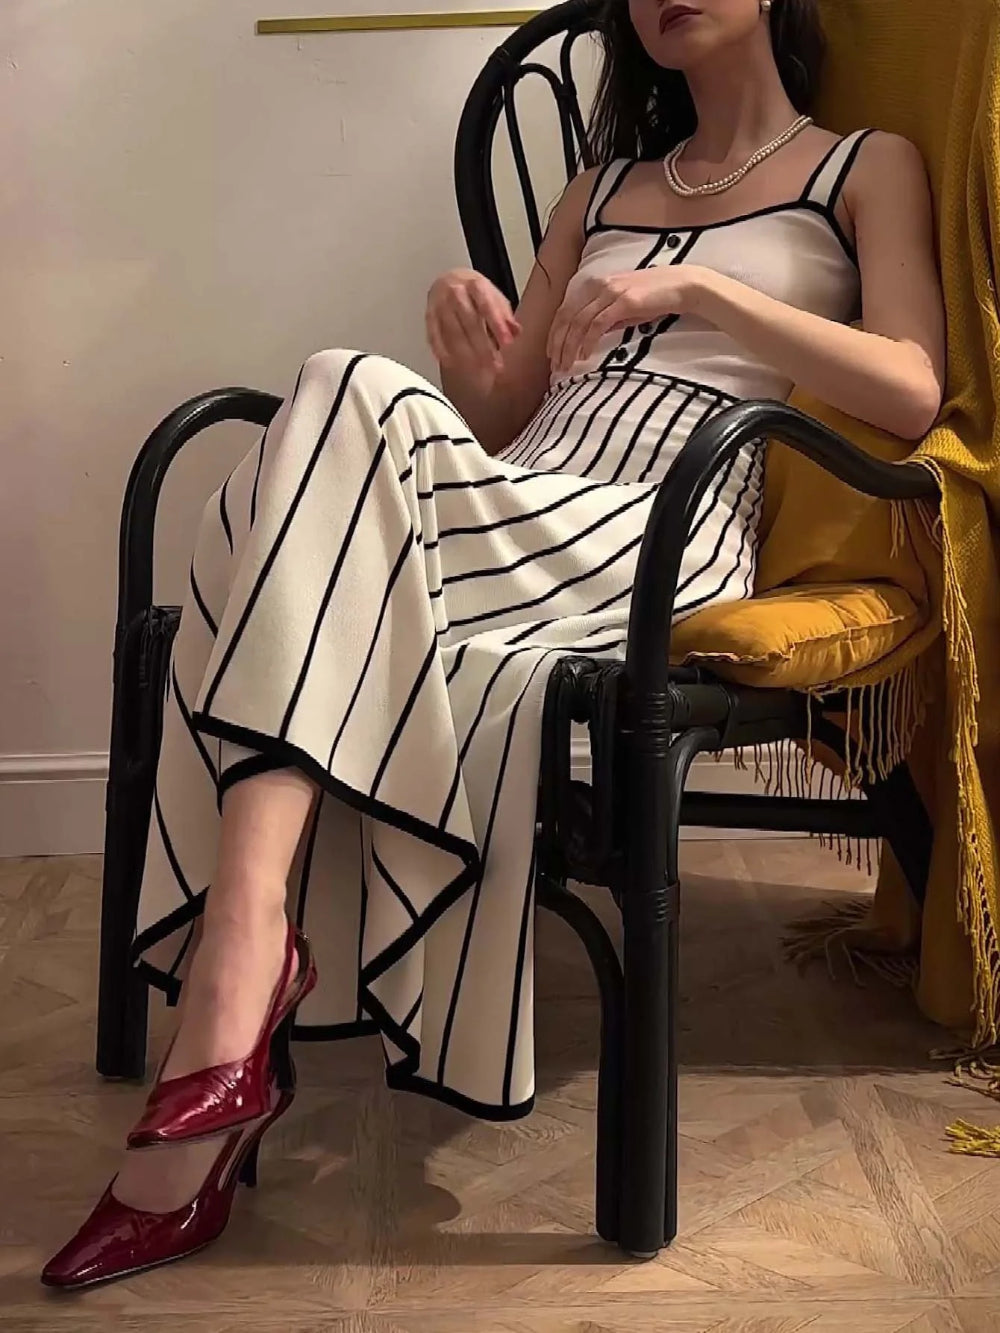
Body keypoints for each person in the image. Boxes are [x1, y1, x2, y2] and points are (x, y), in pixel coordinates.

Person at [42, 0, 945, 1290]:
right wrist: (468, 352)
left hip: (670, 518)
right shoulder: (599, 188)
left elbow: (912, 386)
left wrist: (700, 289)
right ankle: (240, 982)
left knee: (311, 443)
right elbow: (508, 414)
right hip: (526, 492)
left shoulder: (863, 165)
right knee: (329, 407)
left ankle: (238, 975)